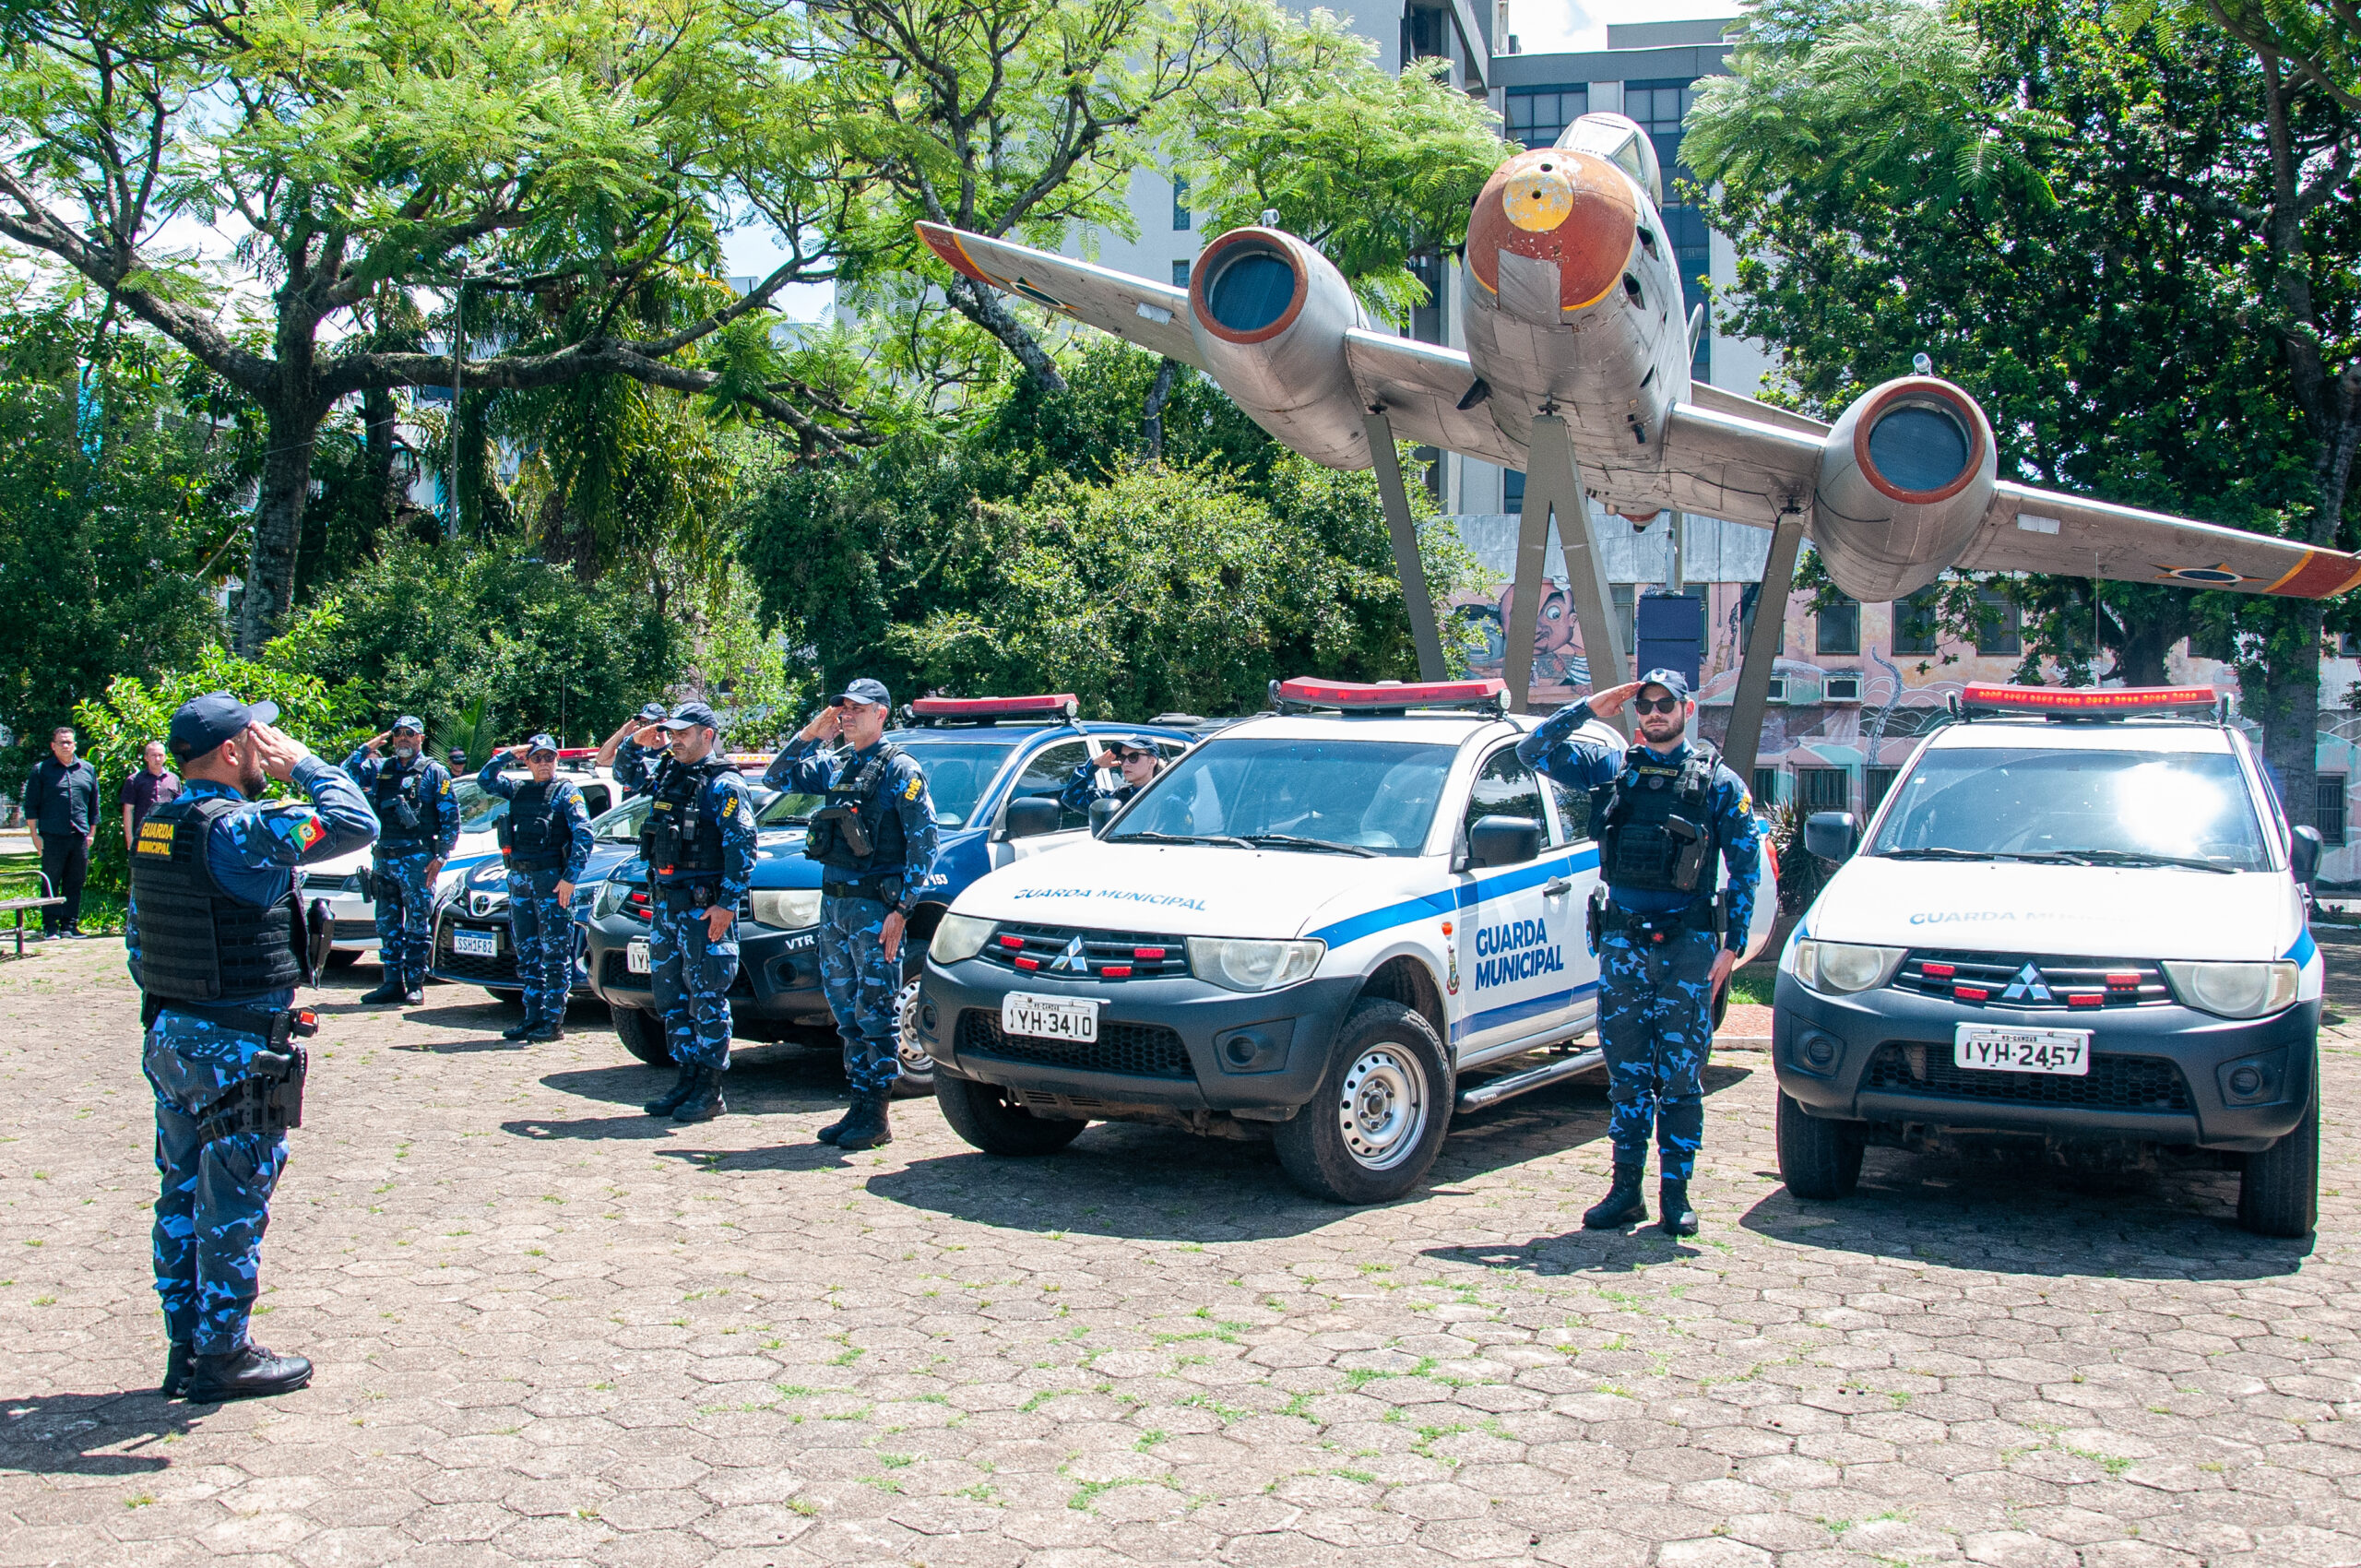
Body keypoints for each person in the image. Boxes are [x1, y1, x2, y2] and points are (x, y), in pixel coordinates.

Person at [127, 692, 377, 1400]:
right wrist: (304, 765)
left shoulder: (160, 823)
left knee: (178, 1193)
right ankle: (224, 1355)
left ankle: (186, 1348)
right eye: (259, 736)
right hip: (237, 1047)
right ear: (235, 751)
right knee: (232, 1201)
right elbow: (357, 821)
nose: (270, 745)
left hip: (172, 1036)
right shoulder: (239, 830)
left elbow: (137, 942)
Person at [1516, 669, 1762, 1237]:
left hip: (1687, 946)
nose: (1653, 713)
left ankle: (1676, 1196)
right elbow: (1533, 752)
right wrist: (1586, 708)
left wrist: (1733, 946)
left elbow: (1745, 864)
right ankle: (1625, 1191)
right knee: (1626, 1074)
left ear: (1688, 709)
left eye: (1664, 704)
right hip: (1624, 943)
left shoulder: (1719, 783)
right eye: (1645, 704)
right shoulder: (1613, 769)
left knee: (1680, 1077)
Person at [766, 679, 939, 1151]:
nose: (846, 715)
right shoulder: (839, 765)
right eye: (842, 708)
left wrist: (902, 910)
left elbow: (925, 842)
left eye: (857, 709)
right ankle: (859, 1104)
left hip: (875, 908)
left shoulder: (899, 769)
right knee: (845, 1012)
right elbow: (775, 778)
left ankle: (877, 1112)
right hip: (835, 905)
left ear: (881, 715)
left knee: (875, 1010)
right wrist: (811, 733)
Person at [631, 703, 758, 1123]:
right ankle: (686, 1078)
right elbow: (624, 772)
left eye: (683, 732)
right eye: (671, 732)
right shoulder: (671, 774)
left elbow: (743, 849)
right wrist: (637, 742)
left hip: (705, 912)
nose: (674, 739)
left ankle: (710, 1088)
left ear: (707, 734)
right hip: (667, 907)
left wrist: (727, 905)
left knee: (707, 999)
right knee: (672, 999)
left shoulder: (723, 784)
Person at [477, 735, 594, 1042]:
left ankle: (553, 1021)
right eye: (537, 758)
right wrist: (504, 756)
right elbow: (485, 780)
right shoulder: (517, 790)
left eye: (549, 758)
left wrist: (570, 878)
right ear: (527, 762)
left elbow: (584, 835)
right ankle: (532, 1017)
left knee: (555, 953)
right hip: (519, 880)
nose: (544, 764)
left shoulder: (565, 792)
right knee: (527, 952)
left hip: (551, 881)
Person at [342, 718, 460, 1005]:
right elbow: (344, 776)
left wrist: (441, 856)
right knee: (387, 925)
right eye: (398, 735)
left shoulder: (434, 772)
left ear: (421, 738)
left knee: (417, 925)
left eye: (410, 735)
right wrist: (365, 748)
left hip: (417, 861)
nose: (403, 740)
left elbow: (451, 818)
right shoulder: (381, 769)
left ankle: (415, 985)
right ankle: (391, 983)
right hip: (385, 859)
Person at [28, 725, 99, 938]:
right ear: (53, 745)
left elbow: (94, 805)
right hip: (52, 836)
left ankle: (70, 926)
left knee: (75, 882)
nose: (66, 745)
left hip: (79, 835)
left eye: (70, 742)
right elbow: (31, 805)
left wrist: (92, 832)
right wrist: (34, 835)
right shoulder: (41, 770)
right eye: (62, 742)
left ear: (75, 744)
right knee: (51, 880)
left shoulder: (87, 769)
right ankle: (50, 927)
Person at [1058, 735, 1167, 817]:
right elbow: (1071, 798)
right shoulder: (1117, 796)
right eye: (1122, 757)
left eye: (1133, 756)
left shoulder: (1167, 800)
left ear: (1152, 761)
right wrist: (1094, 765)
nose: (1126, 763)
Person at [597, 703, 672, 800]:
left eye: (649, 723)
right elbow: (602, 759)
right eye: (642, 723)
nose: (644, 727)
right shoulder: (635, 752)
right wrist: (622, 733)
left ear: (663, 723)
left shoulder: (672, 753)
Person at [122, 741, 183, 851]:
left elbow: (179, 808)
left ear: (165, 757)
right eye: (154, 755)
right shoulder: (135, 780)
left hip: (167, 837)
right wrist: (130, 840)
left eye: (160, 755)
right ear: (146, 757)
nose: (157, 759)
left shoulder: (174, 779)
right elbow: (128, 810)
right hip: (142, 836)